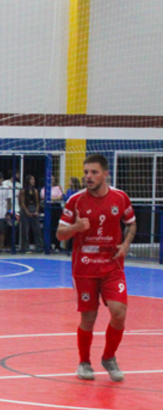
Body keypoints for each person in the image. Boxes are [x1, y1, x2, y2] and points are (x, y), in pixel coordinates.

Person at [56, 154, 136, 382]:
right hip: (85, 268)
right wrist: (76, 227)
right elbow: (60, 234)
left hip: (112, 266)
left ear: (105, 174)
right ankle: (84, 362)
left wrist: (126, 244)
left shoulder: (120, 197)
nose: (88, 177)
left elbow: (131, 223)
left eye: (94, 172)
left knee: (119, 313)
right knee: (88, 318)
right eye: (86, 173)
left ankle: (109, 357)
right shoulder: (76, 201)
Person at [18, 175, 43, 253]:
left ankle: (39, 246)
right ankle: (24, 247)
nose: (33, 181)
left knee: (37, 229)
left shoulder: (35, 190)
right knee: (25, 229)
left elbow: (37, 202)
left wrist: (36, 211)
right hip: (25, 208)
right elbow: (22, 202)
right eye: (31, 179)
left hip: (33, 208)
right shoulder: (23, 190)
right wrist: (26, 211)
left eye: (33, 179)